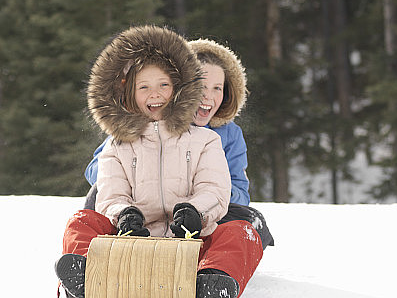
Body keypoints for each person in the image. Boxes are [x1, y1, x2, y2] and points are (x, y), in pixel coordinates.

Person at [55, 24, 264, 298]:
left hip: (191, 242)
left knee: (240, 232)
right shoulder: (119, 144)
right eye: (144, 87)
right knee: (82, 220)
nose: (155, 94)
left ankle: (209, 285)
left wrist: (196, 210)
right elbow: (109, 190)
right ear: (130, 93)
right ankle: (89, 281)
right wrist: (123, 213)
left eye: (164, 85)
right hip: (131, 241)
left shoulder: (207, 139)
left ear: (179, 89)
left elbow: (216, 189)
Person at [82, 37, 274, 248]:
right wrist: (149, 179)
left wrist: (210, 190)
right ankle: (98, 252)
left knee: (251, 220)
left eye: (217, 88)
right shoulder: (148, 122)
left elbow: (240, 194)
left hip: (202, 216)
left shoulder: (227, 135)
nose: (208, 97)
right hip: (142, 210)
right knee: (98, 194)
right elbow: (99, 168)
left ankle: (214, 263)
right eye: (200, 86)